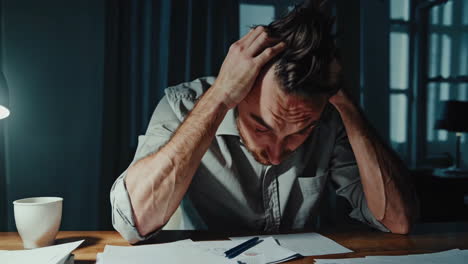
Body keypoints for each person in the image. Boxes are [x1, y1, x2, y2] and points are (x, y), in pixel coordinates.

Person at [110, 1, 418, 244]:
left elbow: (397, 221)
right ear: (240, 87)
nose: (275, 155)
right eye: (261, 127)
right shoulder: (183, 104)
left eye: (300, 133)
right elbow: (133, 220)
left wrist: (348, 107)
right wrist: (219, 96)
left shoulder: (329, 119)